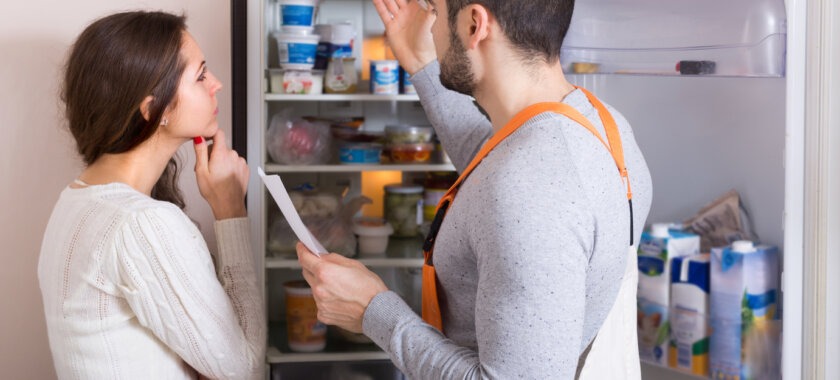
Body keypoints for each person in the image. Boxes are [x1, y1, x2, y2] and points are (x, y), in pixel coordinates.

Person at [296, 0, 653, 378]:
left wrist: (372, 310)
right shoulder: (603, 124)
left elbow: (520, 191)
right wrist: (421, 64)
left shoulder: (530, 190)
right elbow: (496, 161)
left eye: (433, 10)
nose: (430, 27)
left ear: (473, 24)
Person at [38, 11, 265, 380]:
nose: (217, 84)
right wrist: (230, 210)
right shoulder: (142, 225)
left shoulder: (76, 199)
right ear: (152, 109)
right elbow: (245, 368)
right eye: (201, 75)